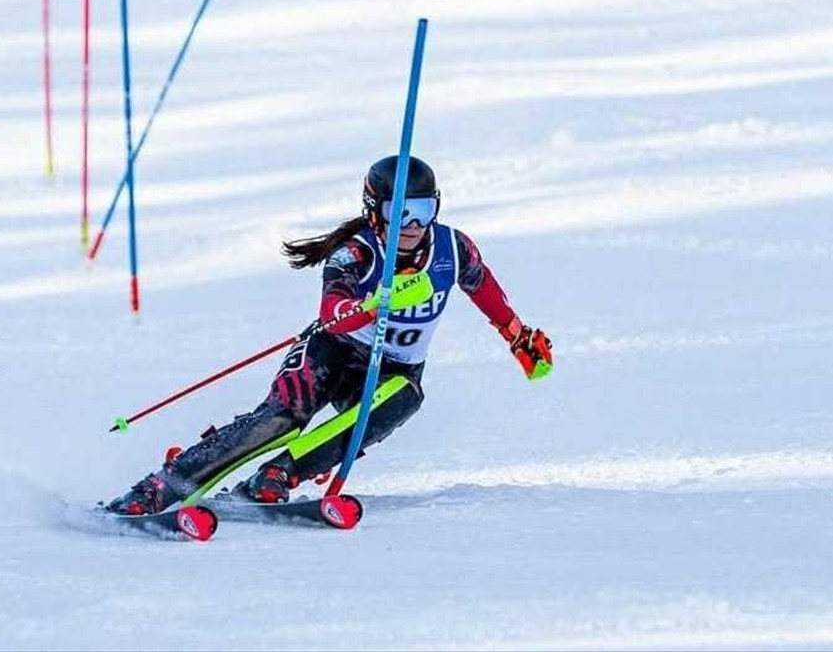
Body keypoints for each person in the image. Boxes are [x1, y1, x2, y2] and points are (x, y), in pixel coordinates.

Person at [105, 155, 553, 515]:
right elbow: (332, 314)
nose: (414, 226)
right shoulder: (356, 253)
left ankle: (280, 474)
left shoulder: (452, 249)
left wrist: (517, 337)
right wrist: (373, 303)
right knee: (282, 418)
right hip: (332, 352)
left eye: (424, 211)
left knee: (404, 396)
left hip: (390, 370)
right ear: (374, 213)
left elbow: (483, 287)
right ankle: (164, 485)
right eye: (400, 213)